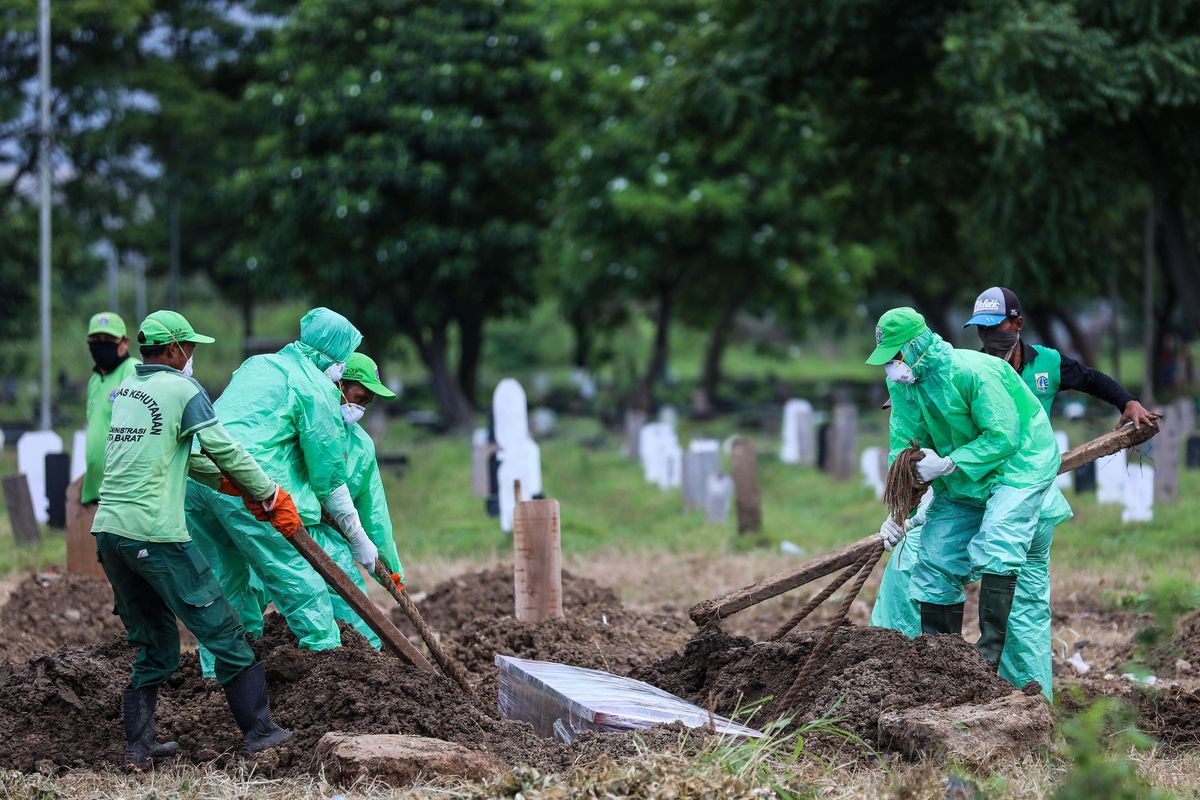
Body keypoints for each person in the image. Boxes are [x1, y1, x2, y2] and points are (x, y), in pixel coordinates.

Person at [91, 310, 297, 769]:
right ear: (174, 350)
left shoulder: (127, 391)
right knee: (223, 629)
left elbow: (178, 456)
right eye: (191, 349)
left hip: (109, 533)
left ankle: (138, 747)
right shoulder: (184, 390)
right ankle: (260, 730)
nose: (193, 358)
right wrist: (268, 492)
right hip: (156, 535)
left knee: (155, 643)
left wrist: (227, 486)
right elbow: (223, 448)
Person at [866, 307, 1060, 673]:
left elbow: (1004, 436)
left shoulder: (973, 373)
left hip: (1018, 466)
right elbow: (902, 448)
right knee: (935, 557)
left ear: (917, 345)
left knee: (1000, 541)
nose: (892, 366)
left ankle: (985, 665)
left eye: (896, 356)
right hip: (964, 479)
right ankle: (946, 666)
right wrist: (897, 515)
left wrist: (949, 463)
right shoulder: (904, 384)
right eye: (886, 361)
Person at [185, 308, 377, 674]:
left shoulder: (260, 364)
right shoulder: (316, 387)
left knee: (225, 584)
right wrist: (356, 535)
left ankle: (218, 679)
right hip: (246, 484)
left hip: (197, 477)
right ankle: (332, 675)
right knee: (299, 581)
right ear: (335, 356)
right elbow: (328, 478)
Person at [304, 352, 405, 647]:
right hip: (280, 521)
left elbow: (374, 512)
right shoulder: (305, 421)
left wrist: (392, 570)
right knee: (250, 596)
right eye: (359, 397)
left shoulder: (361, 446)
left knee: (353, 605)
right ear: (338, 385)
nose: (360, 407)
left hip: (328, 538)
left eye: (367, 402)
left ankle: (369, 666)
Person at [963, 287, 1159, 428]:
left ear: (1018, 323)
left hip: (1037, 471)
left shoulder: (1046, 362)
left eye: (996, 327)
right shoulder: (974, 372)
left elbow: (1092, 380)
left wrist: (1128, 402)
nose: (989, 335)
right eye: (983, 328)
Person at [83, 312, 139, 504]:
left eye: (109, 339)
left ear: (124, 342)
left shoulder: (133, 371)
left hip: (123, 488)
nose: (101, 344)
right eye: (96, 339)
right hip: (97, 487)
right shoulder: (95, 379)